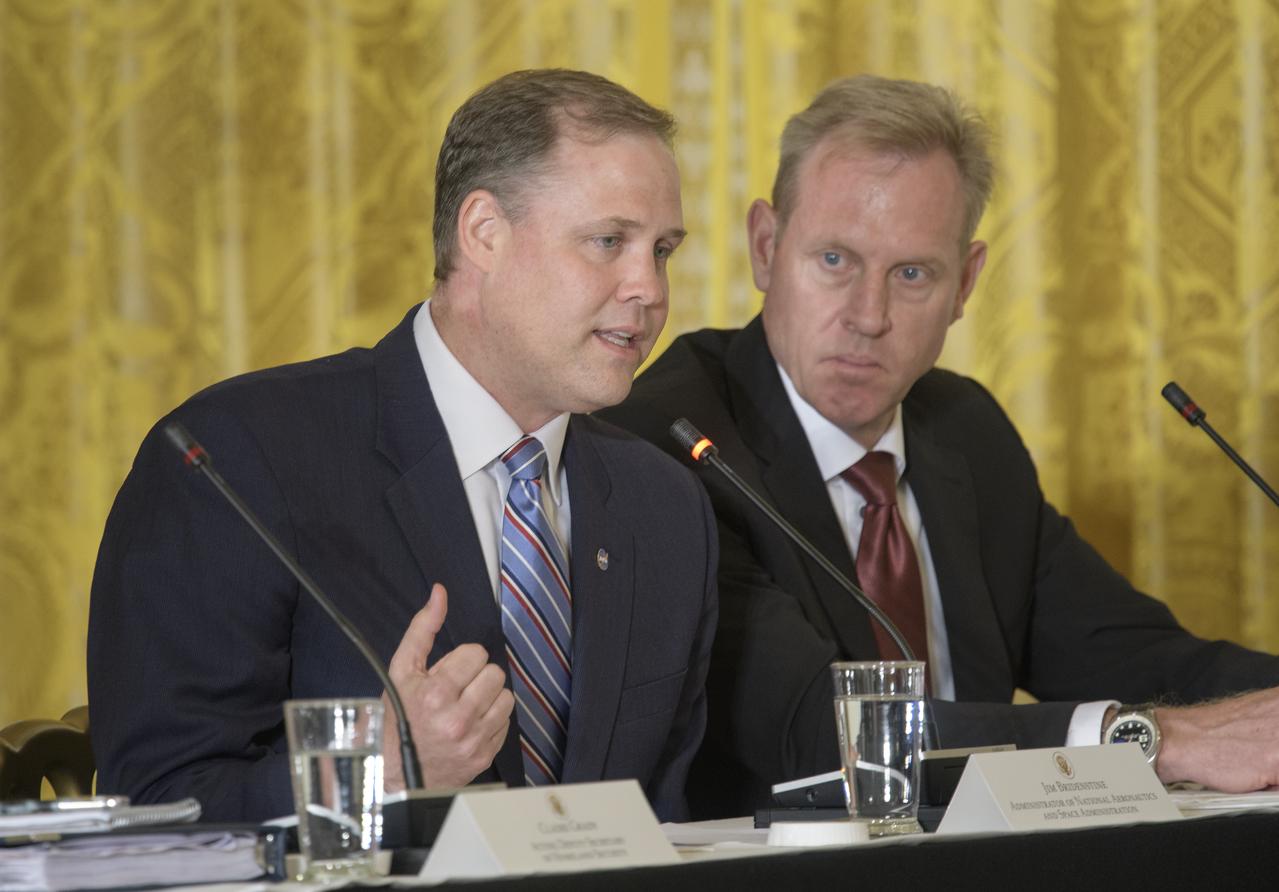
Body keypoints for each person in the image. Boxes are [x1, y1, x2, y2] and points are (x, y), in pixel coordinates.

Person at [600, 73, 1279, 818]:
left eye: (912, 273)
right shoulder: (674, 442)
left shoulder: (963, 430)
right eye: (835, 261)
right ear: (766, 247)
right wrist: (1153, 740)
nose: (868, 315)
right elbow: (816, 732)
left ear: (965, 285)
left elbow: (1133, 655)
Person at [88, 68, 717, 824]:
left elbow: (668, 825)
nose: (649, 289)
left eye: (662, 251)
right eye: (609, 241)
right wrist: (373, 771)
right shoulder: (238, 458)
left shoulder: (664, 505)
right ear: (483, 232)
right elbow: (157, 807)